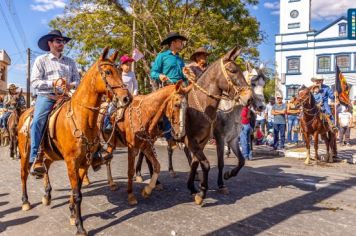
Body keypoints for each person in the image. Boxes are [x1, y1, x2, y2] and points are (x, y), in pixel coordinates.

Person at [30, 30, 80, 176]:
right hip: (47, 97)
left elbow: (77, 80)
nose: (61, 44)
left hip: (66, 97)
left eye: (63, 41)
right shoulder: (41, 60)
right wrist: (54, 83)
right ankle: (35, 156)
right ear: (50, 43)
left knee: (88, 114)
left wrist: (70, 85)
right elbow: (35, 82)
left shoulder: (70, 61)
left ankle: (95, 151)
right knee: (38, 120)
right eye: (58, 41)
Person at [150, 32, 187, 147]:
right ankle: (169, 137)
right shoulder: (162, 56)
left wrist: (187, 79)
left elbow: (184, 77)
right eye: (180, 42)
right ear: (173, 43)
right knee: (168, 109)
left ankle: (184, 132)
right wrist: (160, 76)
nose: (182, 44)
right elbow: (153, 72)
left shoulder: (180, 60)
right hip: (167, 88)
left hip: (180, 88)